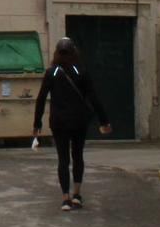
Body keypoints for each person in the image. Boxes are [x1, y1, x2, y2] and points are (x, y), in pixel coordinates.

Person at [32, 37, 113, 211]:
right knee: (77, 155)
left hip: (59, 122)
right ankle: (77, 195)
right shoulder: (80, 72)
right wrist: (104, 120)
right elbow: (93, 97)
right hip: (78, 121)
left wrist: (37, 123)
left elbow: (40, 99)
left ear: (56, 53)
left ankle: (65, 198)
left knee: (63, 159)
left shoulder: (51, 73)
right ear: (74, 52)